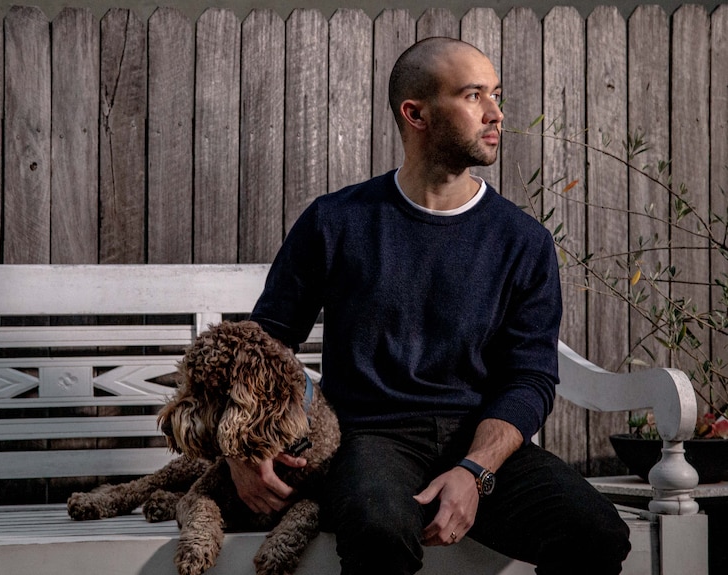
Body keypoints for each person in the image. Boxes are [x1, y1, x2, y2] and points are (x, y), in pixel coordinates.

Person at [227, 37, 631, 575]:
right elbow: (265, 343)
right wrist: (240, 448)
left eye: (496, 94)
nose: (496, 113)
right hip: (368, 442)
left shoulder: (522, 241)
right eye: (473, 96)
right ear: (415, 114)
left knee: (596, 534)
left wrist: (475, 471)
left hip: (480, 441)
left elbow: (530, 378)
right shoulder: (336, 222)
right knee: (380, 531)